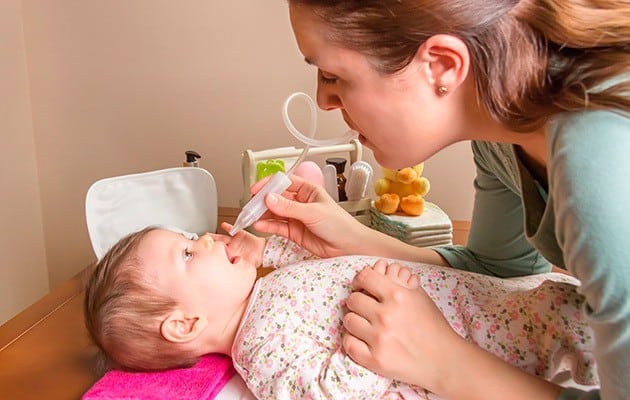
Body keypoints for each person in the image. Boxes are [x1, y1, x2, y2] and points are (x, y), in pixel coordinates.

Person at [249, 1, 630, 399]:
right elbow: (498, 269)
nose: (324, 101)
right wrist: (353, 241)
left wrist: (445, 363)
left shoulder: (604, 162)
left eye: (332, 75)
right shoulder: (500, 139)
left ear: (442, 65)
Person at [84, 224, 596, 399]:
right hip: (479, 339)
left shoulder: (264, 290)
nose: (207, 238)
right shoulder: (260, 351)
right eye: (189, 252)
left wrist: (270, 248)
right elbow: (327, 394)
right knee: (571, 337)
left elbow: (309, 270)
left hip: (491, 301)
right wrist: (370, 342)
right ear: (184, 324)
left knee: (560, 303)